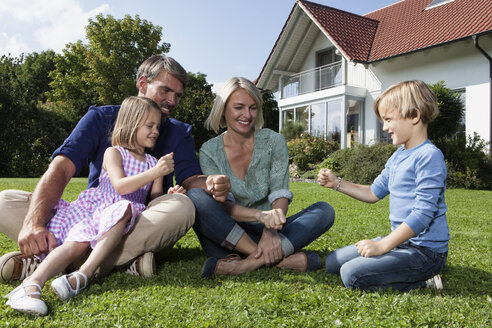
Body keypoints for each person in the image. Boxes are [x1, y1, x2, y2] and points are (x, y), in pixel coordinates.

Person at [0, 55, 230, 282]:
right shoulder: (100, 118)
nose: (172, 100)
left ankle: (55, 262)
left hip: (139, 220)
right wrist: (34, 222)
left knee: (183, 206)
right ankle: (119, 263)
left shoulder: (180, 132)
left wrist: (209, 183)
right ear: (142, 83)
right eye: (165, 91)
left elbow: (191, 179)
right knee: (5, 202)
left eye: (177, 95)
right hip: (91, 214)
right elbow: (61, 169)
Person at [6, 96, 185, 316]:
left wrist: (168, 193)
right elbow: (120, 186)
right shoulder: (114, 152)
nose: (155, 131)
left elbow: (153, 199)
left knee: (125, 211)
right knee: (77, 242)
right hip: (99, 208)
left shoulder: (152, 162)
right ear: (130, 124)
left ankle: (81, 275)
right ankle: (31, 284)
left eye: (157, 126)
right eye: (150, 126)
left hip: (126, 218)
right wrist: (156, 172)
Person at [187, 77, 335, 277]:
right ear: (223, 110)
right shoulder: (209, 151)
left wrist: (270, 230)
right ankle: (279, 257)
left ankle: (244, 264)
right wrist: (259, 216)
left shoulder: (274, 141)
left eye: (253, 108)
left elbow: (279, 193)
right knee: (196, 196)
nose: (247, 115)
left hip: (273, 229)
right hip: (230, 231)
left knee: (324, 211)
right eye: (239, 107)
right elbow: (224, 207)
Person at [318, 80, 450, 291]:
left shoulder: (429, 156)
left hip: (425, 252)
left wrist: (382, 245)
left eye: (388, 119)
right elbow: (373, 192)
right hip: (401, 243)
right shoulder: (398, 156)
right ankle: (397, 263)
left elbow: (424, 214)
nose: (385, 127)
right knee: (333, 262)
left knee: (351, 275)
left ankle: (425, 280)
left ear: (414, 116)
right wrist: (336, 183)